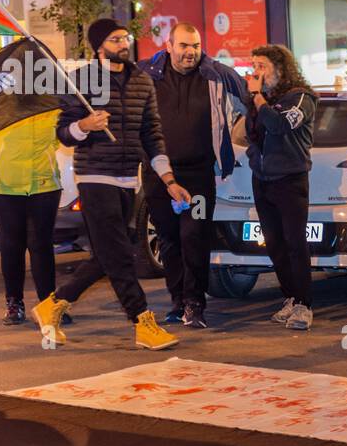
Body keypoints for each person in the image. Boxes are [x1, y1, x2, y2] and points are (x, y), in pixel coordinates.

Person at [32, 18, 190, 350]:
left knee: (109, 254)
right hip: (94, 177)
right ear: (99, 45)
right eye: (115, 38)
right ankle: (142, 321)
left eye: (125, 37)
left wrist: (169, 180)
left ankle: (53, 304)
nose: (123, 43)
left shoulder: (142, 82)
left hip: (127, 179)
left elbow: (153, 136)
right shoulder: (81, 82)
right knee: (119, 255)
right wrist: (85, 125)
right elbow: (63, 133)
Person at [138, 23, 247, 328]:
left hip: (198, 175)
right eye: (184, 46)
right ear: (169, 46)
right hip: (159, 176)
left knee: (194, 235)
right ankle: (176, 302)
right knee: (169, 239)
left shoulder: (217, 74)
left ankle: (194, 303)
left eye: (196, 46)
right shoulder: (147, 75)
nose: (191, 52)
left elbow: (249, 105)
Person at [0, 108, 61, 325]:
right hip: (1, 185)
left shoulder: (49, 100)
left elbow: (57, 137)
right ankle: (14, 303)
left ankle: (48, 305)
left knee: (41, 245)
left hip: (44, 181)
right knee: (11, 244)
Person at [246, 44, 317, 330]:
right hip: (262, 179)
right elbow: (252, 132)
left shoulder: (302, 97)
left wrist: (258, 99)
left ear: (280, 67)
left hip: (290, 178)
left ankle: (304, 304)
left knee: (295, 242)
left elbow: (280, 125)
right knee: (273, 243)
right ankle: (289, 297)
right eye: (254, 65)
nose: (257, 72)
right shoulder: (261, 99)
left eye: (262, 65)